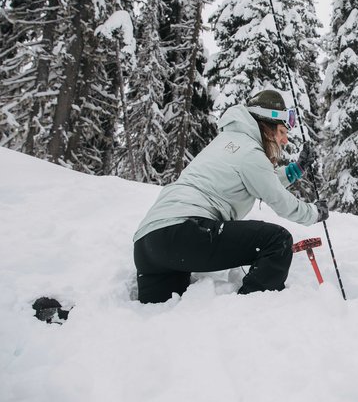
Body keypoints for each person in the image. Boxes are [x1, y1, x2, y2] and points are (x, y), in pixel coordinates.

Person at [133, 89, 328, 304]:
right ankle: (248, 312)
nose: (285, 140)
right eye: (282, 131)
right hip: (184, 231)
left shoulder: (226, 142)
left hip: (149, 244)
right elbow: (279, 200)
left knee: (163, 315)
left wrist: (296, 169)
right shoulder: (251, 153)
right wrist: (314, 213)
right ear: (266, 127)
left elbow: (261, 180)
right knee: (276, 241)